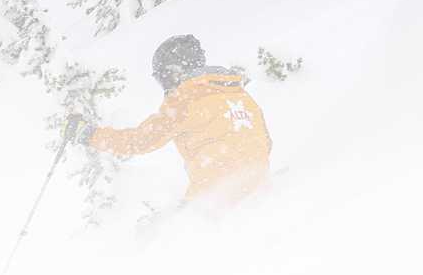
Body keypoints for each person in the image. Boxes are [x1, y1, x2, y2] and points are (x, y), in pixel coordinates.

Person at [71, 34, 272, 203]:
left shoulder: (186, 98)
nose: (165, 86)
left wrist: (87, 134)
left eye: (164, 77)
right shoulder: (242, 96)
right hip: (259, 191)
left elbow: (139, 141)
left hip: (215, 198)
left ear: (177, 71)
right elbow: (266, 143)